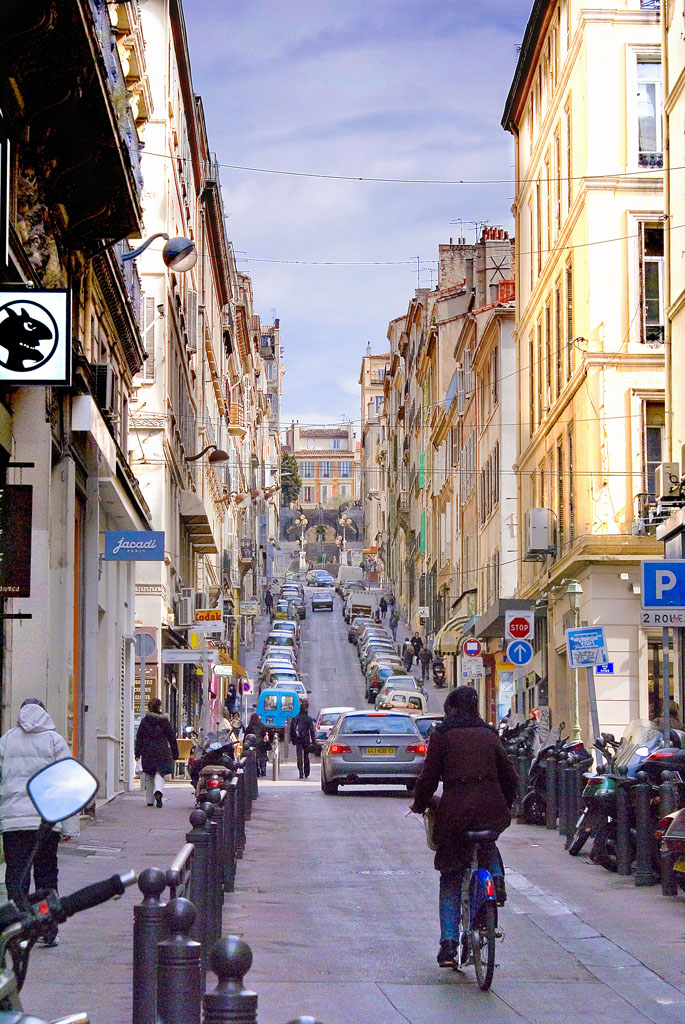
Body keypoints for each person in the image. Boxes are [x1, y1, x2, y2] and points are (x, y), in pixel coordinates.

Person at [409, 685, 518, 968]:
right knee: (487, 842)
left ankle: (448, 944)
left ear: (451, 709)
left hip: (455, 815)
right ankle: (497, 880)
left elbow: (428, 778)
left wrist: (419, 804)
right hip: (490, 809)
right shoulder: (489, 734)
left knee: (451, 876)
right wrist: (504, 803)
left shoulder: (442, 736)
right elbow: (510, 776)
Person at [0, 698, 79, 947]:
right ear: (45, 713)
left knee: (16, 877)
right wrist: (69, 826)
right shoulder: (54, 741)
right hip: (46, 822)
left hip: (14, 823)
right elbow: (68, 783)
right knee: (46, 876)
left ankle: (18, 931)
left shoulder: (6, 740)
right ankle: (47, 929)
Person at [134, 697, 179, 808]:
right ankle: (158, 792)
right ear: (159, 707)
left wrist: (137, 753)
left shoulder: (145, 721)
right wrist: (175, 753)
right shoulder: (164, 721)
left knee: (150, 775)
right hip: (162, 751)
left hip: (147, 751)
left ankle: (150, 800)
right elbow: (171, 737)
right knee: (160, 773)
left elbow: (139, 738)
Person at [289, 700, 316, 779]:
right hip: (306, 739)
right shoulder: (308, 719)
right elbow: (312, 731)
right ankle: (306, 771)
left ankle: (300, 771)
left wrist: (293, 739)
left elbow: (292, 729)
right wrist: (313, 741)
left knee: (299, 756)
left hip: (298, 739)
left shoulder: (295, 718)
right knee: (306, 755)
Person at [246, 711, 270, 776]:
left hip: (253, 744)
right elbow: (264, 734)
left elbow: (246, 736)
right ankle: (263, 770)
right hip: (261, 744)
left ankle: (257, 771)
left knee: (254, 757)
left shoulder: (250, 727)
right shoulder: (261, 725)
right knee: (262, 757)